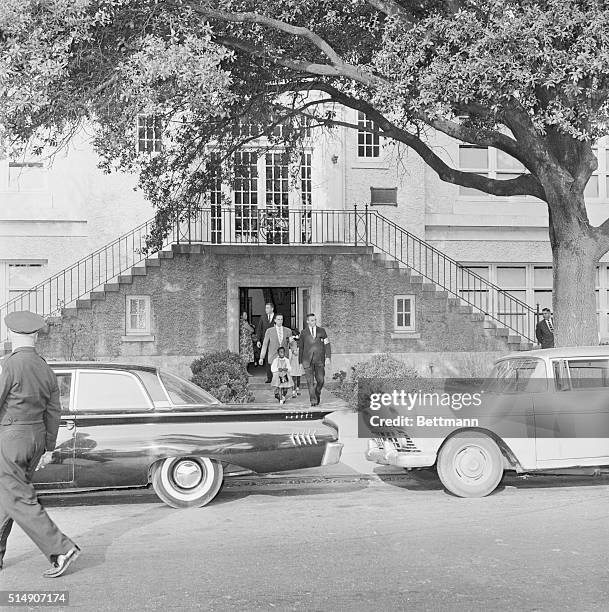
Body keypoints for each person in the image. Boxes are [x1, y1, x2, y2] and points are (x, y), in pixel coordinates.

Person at [0, 311, 80, 577]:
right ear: (35, 336)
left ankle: (60, 548)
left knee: (18, 497)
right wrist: (47, 446)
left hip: (11, 439)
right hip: (35, 439)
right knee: (7, 496)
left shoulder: (7, 365)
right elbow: (54, 410)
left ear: (11, 335)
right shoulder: (45, 367)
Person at [298, 313, 331, 407]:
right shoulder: (303, 332)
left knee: (320, 380)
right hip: (307, 361)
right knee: (310, 381)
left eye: (315, 320)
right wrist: (300, 362)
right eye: (312, 320)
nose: (314, 322)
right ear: (307, 321)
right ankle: (313, 400)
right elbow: (301, 347)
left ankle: (317, 393)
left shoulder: (322, 331)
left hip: (319, 360)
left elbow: (327, 344)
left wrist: (328, 357)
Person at [255, 303, 276, 383]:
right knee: (267, 359)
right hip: (265, 341)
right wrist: (258, 340)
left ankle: (275, 377)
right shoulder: (263, 317)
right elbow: (259, 329)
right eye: (265, 308)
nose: (266, 309)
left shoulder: (277, 317)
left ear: (272, 309)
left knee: (274, 359)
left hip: (275, 341)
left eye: (267, 308)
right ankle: (269, 377)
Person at [288, 333, 305, 398]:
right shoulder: (290, 351)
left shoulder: (300, 350)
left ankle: (297, 389)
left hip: (298, 365)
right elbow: (289, 359)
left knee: (298, 378)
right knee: (294, 378)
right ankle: (293, 391)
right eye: (293, 345)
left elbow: (302, 357)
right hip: (293, 366)